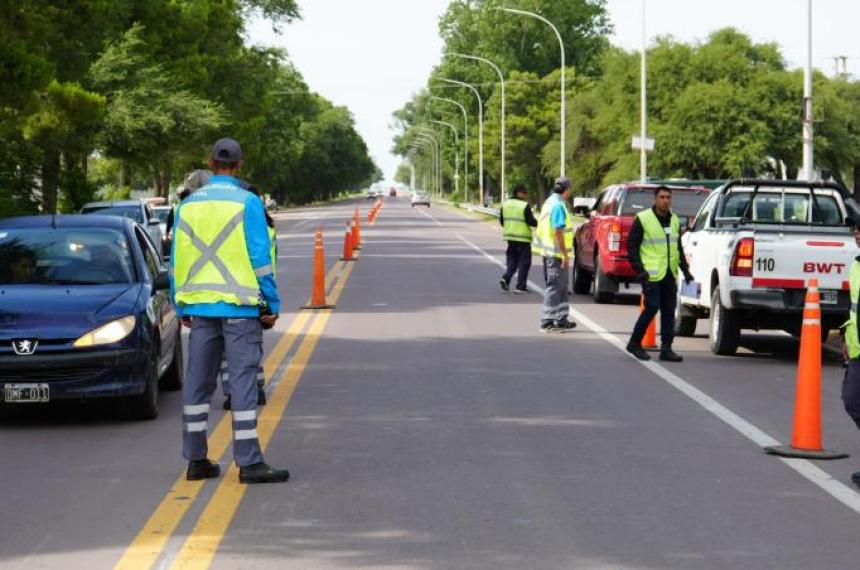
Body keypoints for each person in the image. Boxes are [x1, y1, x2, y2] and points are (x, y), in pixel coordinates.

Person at [170, 138, 289, 484]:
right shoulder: (248, 202)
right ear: (239, 165)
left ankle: (196, 461)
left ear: (210, 162)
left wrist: (181, 304)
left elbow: (178, 260)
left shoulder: (187, 205)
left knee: (197, 383)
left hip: (201, 308)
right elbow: (260, 259)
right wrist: (270, 305)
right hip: (240, 309)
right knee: (241, 384)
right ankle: (249, 463)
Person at [221, 180, 276, 411]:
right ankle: (257, 386)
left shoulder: (239, 227)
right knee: (253, 343)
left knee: (230, 346)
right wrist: (270, 302)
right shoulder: (268, 227)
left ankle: (234, 392)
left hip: (241, 289)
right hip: (262, 291)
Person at [626, 185, 694, 362]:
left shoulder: (674, 220)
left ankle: (666, 348)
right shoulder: (644, 218)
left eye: (668, 197)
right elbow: (632, 246)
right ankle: (634, 343)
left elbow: (677, 247)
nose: (665, 200)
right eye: (662, 197)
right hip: (651, 273)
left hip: (669, 273)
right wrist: (639, 270)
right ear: (655, 199)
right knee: (652, 307)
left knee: (668, 311)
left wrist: (685, 271)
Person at [533, 177, 577, 333]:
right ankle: (547, 321)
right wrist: (564, 255)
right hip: (556, 254)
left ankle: (561, 319)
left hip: (550, 252)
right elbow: (558, 232)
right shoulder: (558, 205)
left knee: (563, 287)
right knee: (554, 287)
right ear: (566, 189)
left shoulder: (548, 202)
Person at [840, 219, 860, 488]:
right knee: (851, 400)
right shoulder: (856, 264)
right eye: (856, 230)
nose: (857, 234)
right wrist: (846, 335)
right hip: (857, 348)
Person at [499, 184, 538, 294]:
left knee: (512, 261)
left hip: (510, 238)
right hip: (523, 239)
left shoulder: (505, 204)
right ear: (519, 193)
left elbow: (502, 221)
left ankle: (506, 277)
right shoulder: (524, 205)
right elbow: (531, 221)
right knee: (524, 263)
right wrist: (540, 224)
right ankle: (520, 286)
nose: (526, 195)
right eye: (525, 193)